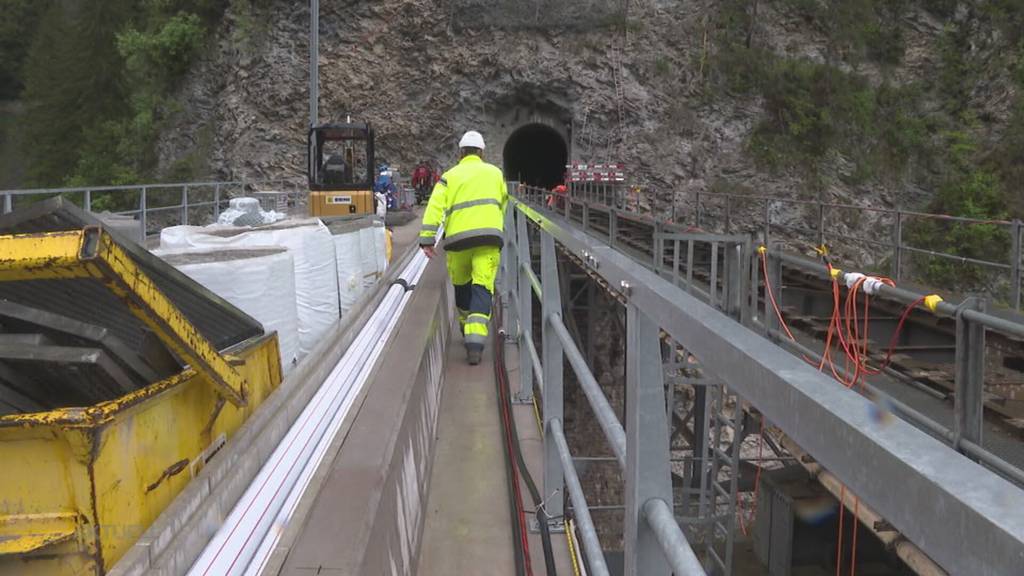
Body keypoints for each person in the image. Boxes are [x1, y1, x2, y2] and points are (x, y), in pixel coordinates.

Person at [419, 130, 507, 365]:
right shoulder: (495, 173)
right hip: (488, 239)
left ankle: (465, 326)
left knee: (462, 286)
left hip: (457, 242)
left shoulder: (449, 176)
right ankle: (475, 343)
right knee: (482, 287)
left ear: (460, 153)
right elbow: (503, 202)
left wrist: (427, 239)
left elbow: (434, 207)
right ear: (482, 152)